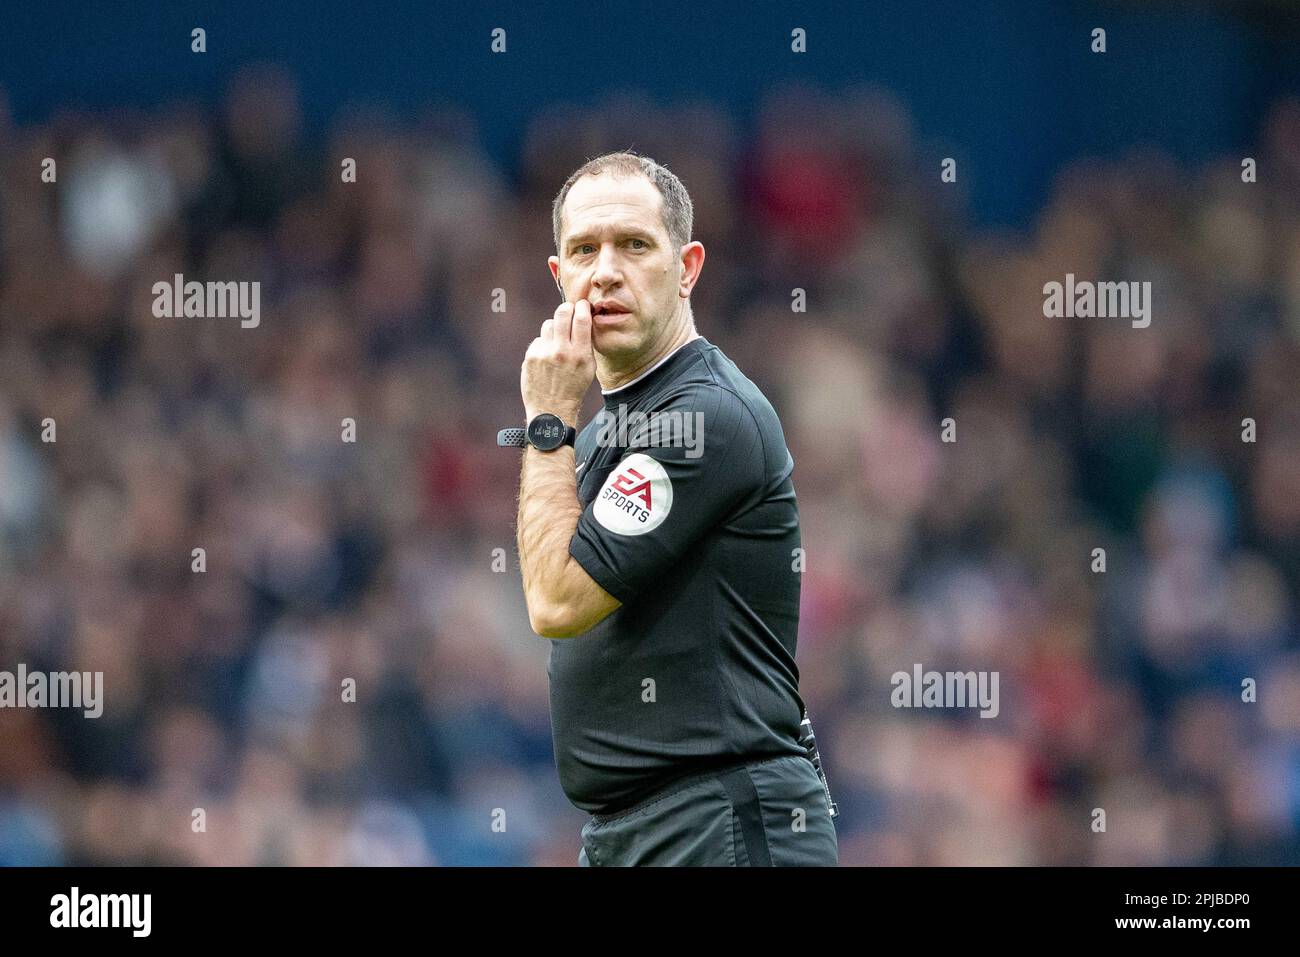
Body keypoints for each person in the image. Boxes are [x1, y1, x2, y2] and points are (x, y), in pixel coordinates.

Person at [511, 150, 837, 866]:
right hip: (644, 831)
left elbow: (557, 602)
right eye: (583, 250)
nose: (605, 270)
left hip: (721, 821)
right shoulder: (604, 433)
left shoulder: (703, 417)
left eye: (634, 244)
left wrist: (547, 424)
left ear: (688, 266)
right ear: (559, 277)